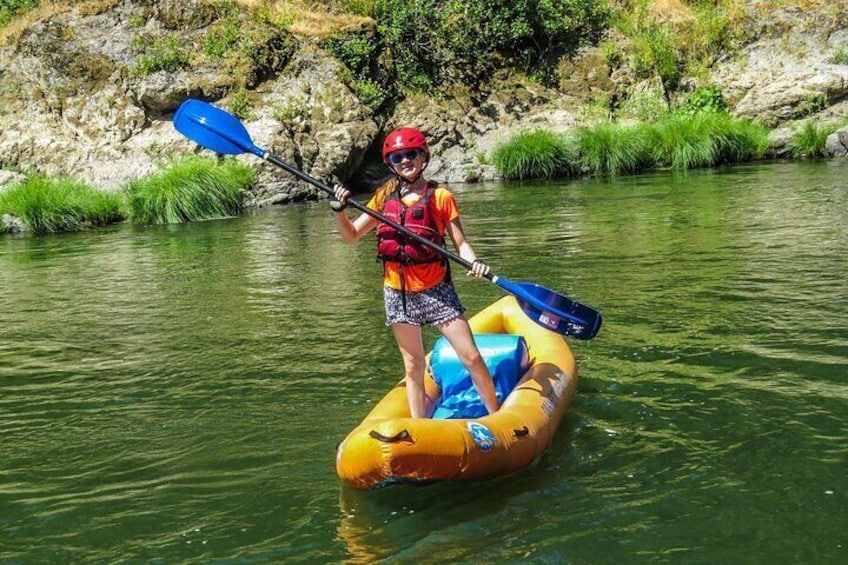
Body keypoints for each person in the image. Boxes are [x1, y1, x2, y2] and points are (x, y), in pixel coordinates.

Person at [331, 127, 500, 418]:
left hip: (436, 289)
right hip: (398, 293)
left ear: (423, 157)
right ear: (390, 163)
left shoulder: (441, 196)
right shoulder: (384, 197)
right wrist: (339, 212)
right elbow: (351, 236)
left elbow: (461, 244)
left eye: (411, 154)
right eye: (398, 157)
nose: (405, 161)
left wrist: (475, 262)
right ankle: (419, 428)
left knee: (470, 357)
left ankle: (497, 415)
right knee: (413, 365)